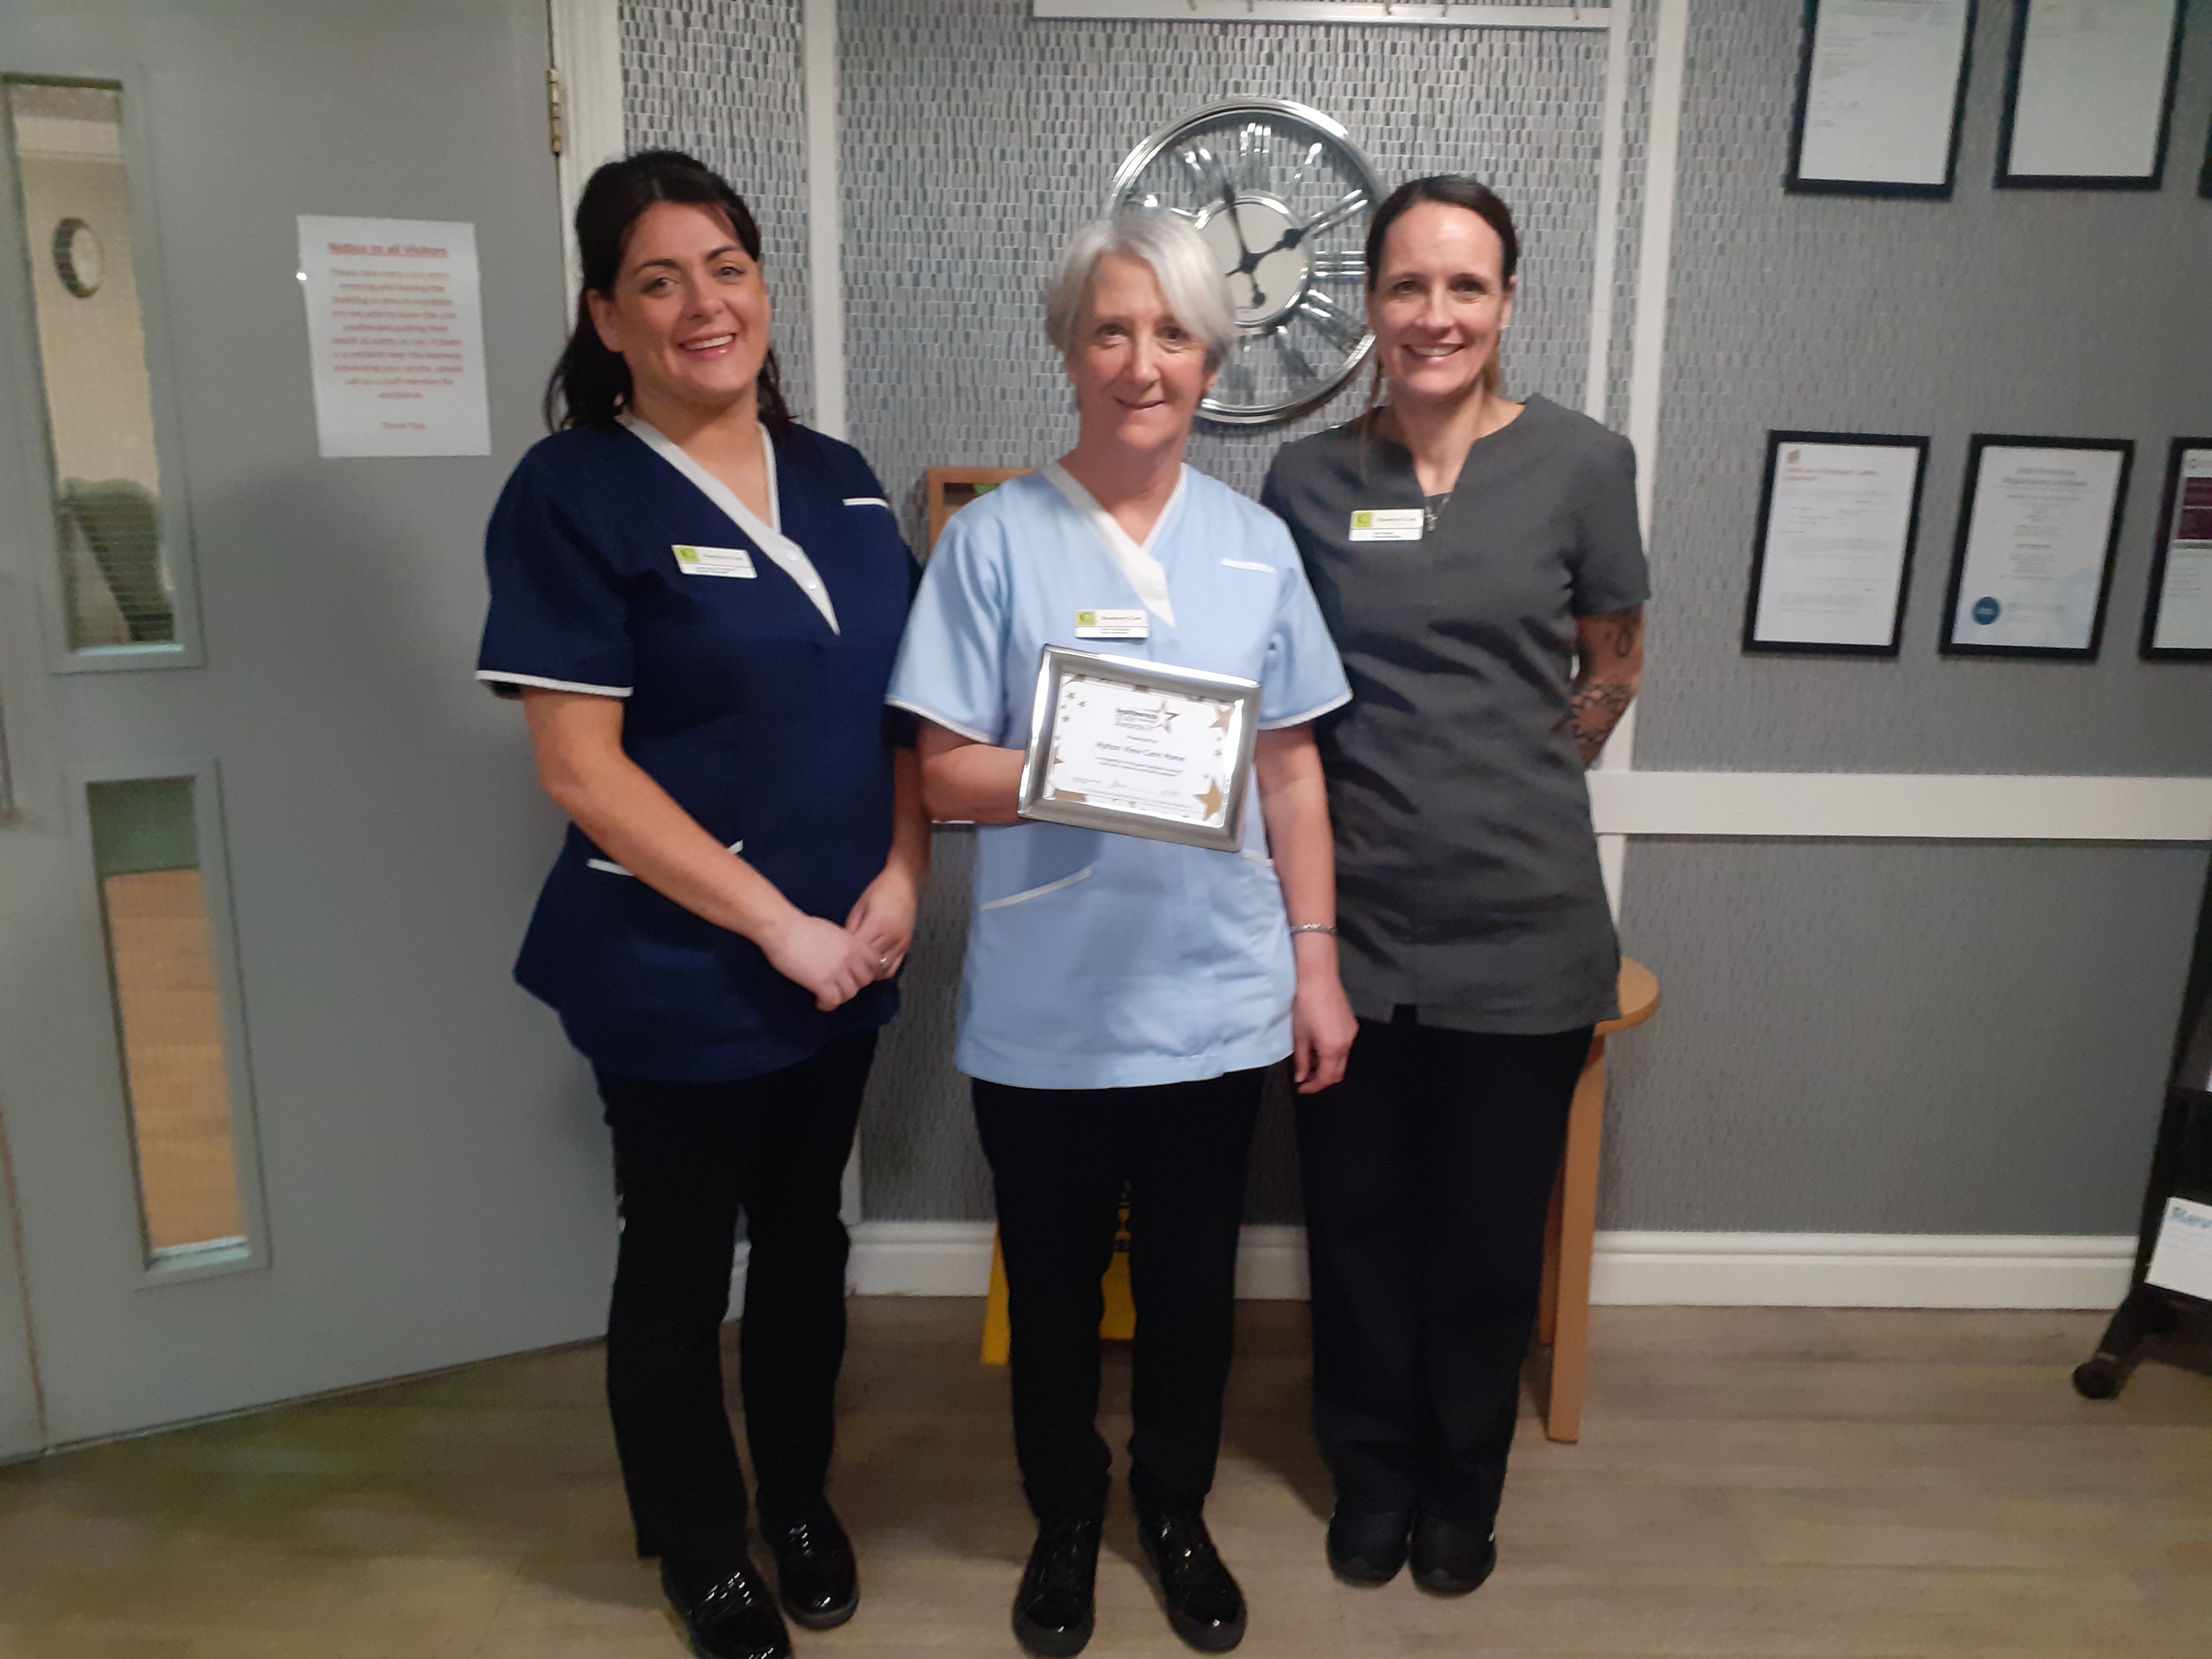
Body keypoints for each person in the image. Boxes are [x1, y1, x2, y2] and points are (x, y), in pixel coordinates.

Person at [475, 151, 926, 1659]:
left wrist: (903, 876)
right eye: (656, 281)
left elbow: (909, 714)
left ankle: (797, 1501)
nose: (700, 306)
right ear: (607, 317)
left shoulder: (849, 481)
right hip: (677, 972)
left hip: (845, 960)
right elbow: (582, 773)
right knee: (676, 1268)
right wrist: (779, 926)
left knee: (806, 1244)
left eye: (724, 268)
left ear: (764, 290)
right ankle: (700, 1541)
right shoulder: (572, 493)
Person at [886, 211, 1355, 1657]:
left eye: (1172, 334)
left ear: (1212, 361)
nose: (1141, 362)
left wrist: (1318, 966)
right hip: (1053, 1005)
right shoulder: (996, 545)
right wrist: (1090, 767)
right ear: (1068, 349)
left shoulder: (1257, 547)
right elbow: (941, 766)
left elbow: (1289, 768)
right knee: (1052, 1283)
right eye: (1112, 330)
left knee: (1194, 1292)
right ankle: (1066, 1513)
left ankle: (1176, 1505)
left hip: (1217, 997)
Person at [1260, 176, 1648, 1598]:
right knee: (1357, 1223)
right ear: (1371, 303)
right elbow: (1281, 704)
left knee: (1487, 1238)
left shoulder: (1582, 464)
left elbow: (1613, 657)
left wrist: (1524, 784)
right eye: (1409, 286)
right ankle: (1369, 1474)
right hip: (1344, 928)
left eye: (1466, 287)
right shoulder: (1305, 480)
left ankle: (1458, 1488)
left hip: (1525, 932)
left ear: (1507, 302)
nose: (1436, 315)